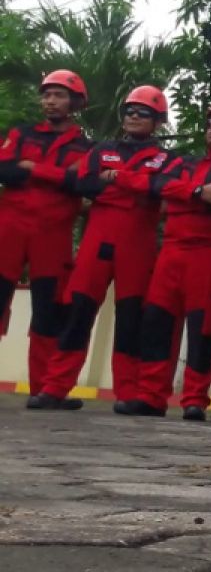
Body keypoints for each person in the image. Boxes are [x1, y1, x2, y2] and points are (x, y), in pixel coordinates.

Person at [31, 86, 176, 410]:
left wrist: (117, 180)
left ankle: (128, 394)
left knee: (130, 319)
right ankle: (54, 388)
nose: (134, 118)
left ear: (157, 122)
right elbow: (83, 184)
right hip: (98, 238)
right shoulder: (101, 150)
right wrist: (119, 183)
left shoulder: (166, 158)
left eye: (143, 114)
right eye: (130, 112)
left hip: (137, 244)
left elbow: (161, 189)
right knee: (77, 312)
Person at [113, 99, 211, 419]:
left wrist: (189, 193)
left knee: (203, 328)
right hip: (172, 252)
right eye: (210, 122)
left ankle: (194, 398)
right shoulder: (184, 163)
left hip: (209, 253)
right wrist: (197, 193)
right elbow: (157, 184)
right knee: (157, 324)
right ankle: (151, 395)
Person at [0, 71, 92, 404]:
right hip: (8, 228)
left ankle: (44, 389)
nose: (50, 101)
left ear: (75, 102)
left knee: (48, 312)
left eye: (59, 95)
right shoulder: (21, 133)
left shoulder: (86, 147)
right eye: (47, 94)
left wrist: (32, 168)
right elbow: (4, 170)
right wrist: (57, 175)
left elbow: (81, 183)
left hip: (52, 236)